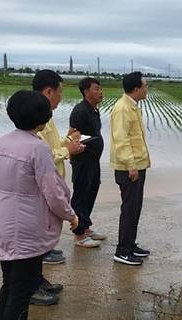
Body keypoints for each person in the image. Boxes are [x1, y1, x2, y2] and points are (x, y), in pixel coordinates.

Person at [0, 90, 78, 320]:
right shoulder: (36, 147)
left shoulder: (3, 142)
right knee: (22, 289)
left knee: (10, 285)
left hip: (4, 221)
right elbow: (52, 191)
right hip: (26, 227)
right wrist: (71, 216)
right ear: (41, 118)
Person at [31, 69, 84, 304]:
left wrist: (66, 140)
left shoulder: (47, 116)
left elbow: (51, 146)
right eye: (60, 91)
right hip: (42, 186)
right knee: (34, 240)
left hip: (51, 181)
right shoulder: (35, 117)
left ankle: (38, 281)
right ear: (49, 91)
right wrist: (67, 150)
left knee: (42, 234)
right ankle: (32, 287)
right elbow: (42, 155)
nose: (62, 97)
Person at [110, 71, 151, 266]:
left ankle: (130, 244)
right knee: (129, 209)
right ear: (136, 89)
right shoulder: (122, 109)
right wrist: (131, 166)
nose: (146, 89)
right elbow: (121, 140)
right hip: (129, 168)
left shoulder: (133, 106)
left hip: (137, 166)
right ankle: (122, 250)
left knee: (135, 208)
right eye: (145, 86)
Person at [69, 77, 106, 248]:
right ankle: (79, 235)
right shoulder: (80, 111)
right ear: (86, 92)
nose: (100, 92)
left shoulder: (93, 109)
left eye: (100, 89)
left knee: (91, 192)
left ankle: (86, 226)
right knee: (81, 195)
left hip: (93, 160)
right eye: (96, 89)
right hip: (82, 161)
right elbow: (72, 136)